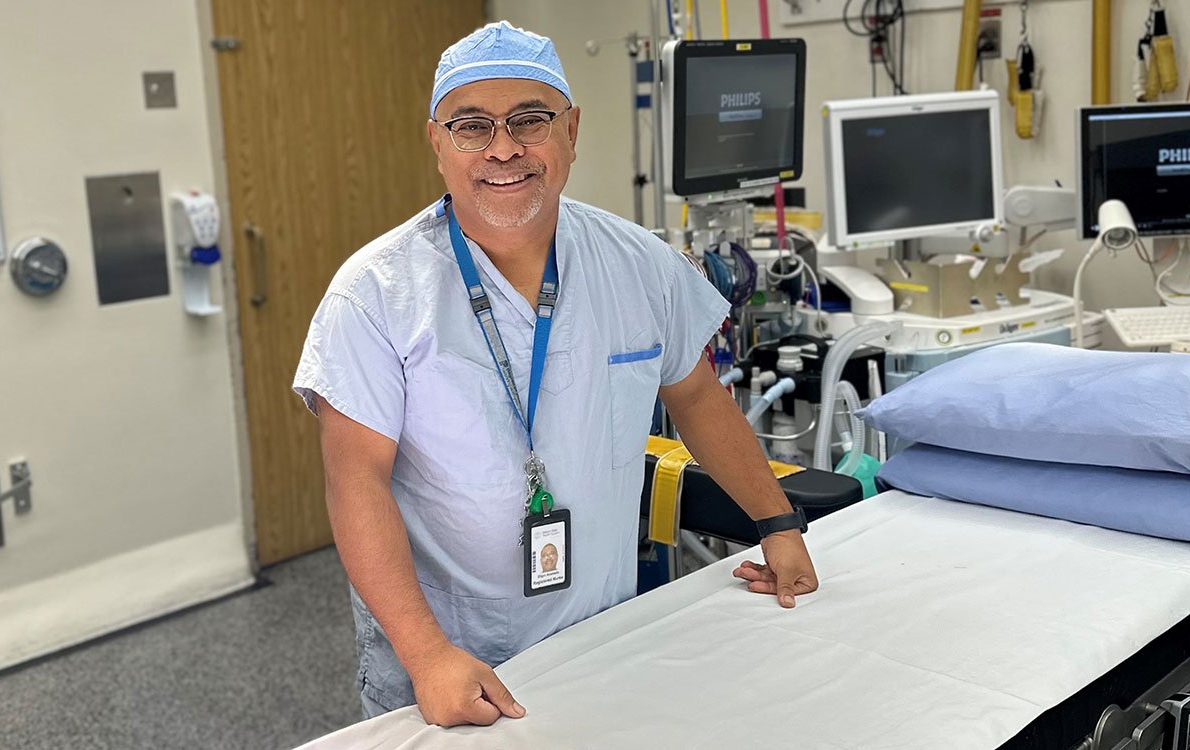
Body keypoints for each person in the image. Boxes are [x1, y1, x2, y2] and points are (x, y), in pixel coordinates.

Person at [293, 20, 818, 728]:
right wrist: (426, 656)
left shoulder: (638, 266)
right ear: (438, 144)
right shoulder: (377, 295)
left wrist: (776, 522)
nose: (504, 148)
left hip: (600, 635)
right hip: (449, 662)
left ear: (571, 130)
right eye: (472, 126)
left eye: (529, 120)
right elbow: (355, 478)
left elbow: (696, 395)